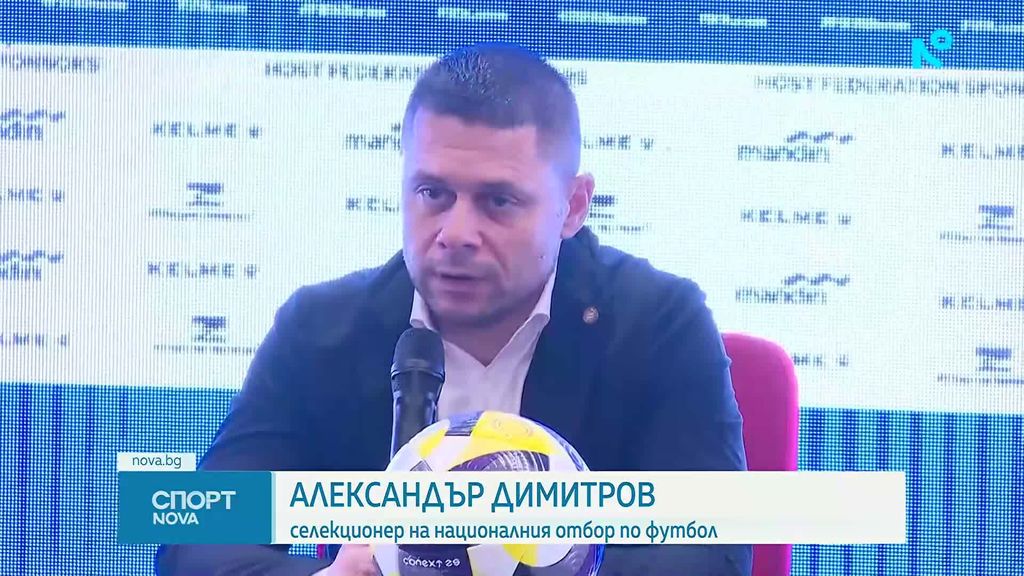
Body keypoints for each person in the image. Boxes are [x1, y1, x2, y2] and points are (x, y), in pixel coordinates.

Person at [155, 42, 751, 576]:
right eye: (433, 193)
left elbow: (713, 549)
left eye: (498, 201)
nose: (456, 234)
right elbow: (198, 542)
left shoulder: (658, 325)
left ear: (572, 206)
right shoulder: (321, 331)